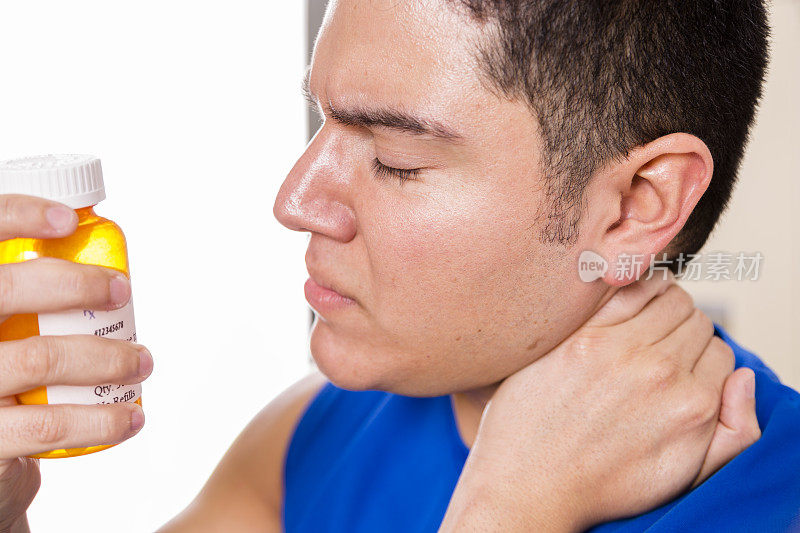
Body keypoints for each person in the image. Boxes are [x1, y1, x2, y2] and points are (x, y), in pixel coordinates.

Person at [2, 0, 798, 531]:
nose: (295, 199)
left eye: (395, 158)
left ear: (635, 202)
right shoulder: (314, 430)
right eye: (321, 119)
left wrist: (505, 513)